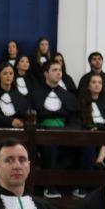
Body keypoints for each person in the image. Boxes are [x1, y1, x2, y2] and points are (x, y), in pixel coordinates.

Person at [30, 59, 80, 199]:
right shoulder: (35, 94)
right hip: (43, 133)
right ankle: (50, 185)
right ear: (46, 73)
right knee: (51, 141)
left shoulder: (68, 95)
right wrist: (43, 128)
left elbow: (75, 118)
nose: (59, 73)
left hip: (66, 132)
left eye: (60, 70)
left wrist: (69, 130)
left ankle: (81, 186)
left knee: (87, 144)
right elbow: (31, 117)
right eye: (54, 70)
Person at [79, 72, 105, 167]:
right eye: (94, 82)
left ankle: (100, 159)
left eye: (99, 82)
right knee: (93, 138)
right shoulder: (81, 101)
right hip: (91, 130)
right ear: (88, 86)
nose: (97, 85)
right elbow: (80, 121)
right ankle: (99, 160)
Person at [0, 62, 30, 129]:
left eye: (11, 73)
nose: (8, 76)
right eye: (5, 73)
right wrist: (10, 121)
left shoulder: (18, 95)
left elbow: (26, 113)